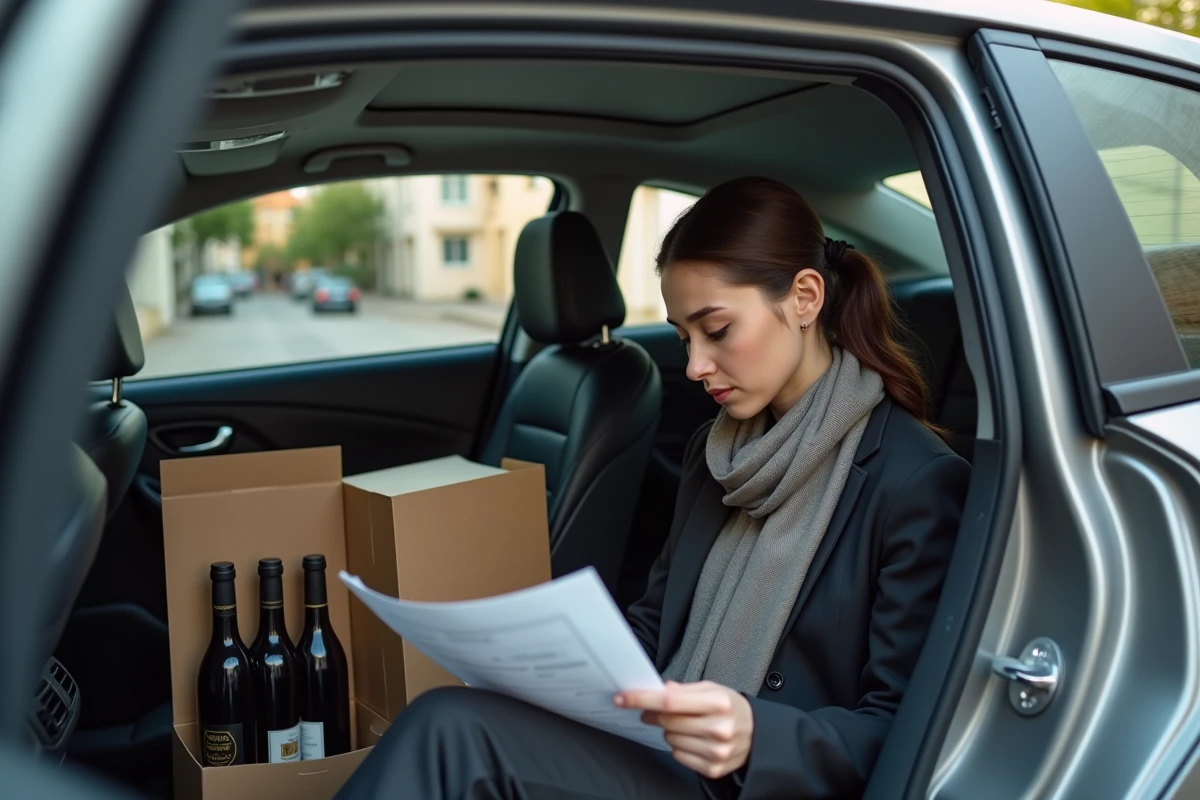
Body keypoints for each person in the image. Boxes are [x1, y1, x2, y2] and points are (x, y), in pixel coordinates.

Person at [334, 176, 971, 800]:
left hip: (756, 780)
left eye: (717, 330)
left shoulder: (916, 482)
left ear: (805, 298)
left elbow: (911, 732)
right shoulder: (717, 452)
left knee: (449, 732)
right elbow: (657, 624)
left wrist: (757, 735)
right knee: (450, 717)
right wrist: (542, 673)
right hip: (664, 750)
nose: (695, 366)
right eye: (682, 338)